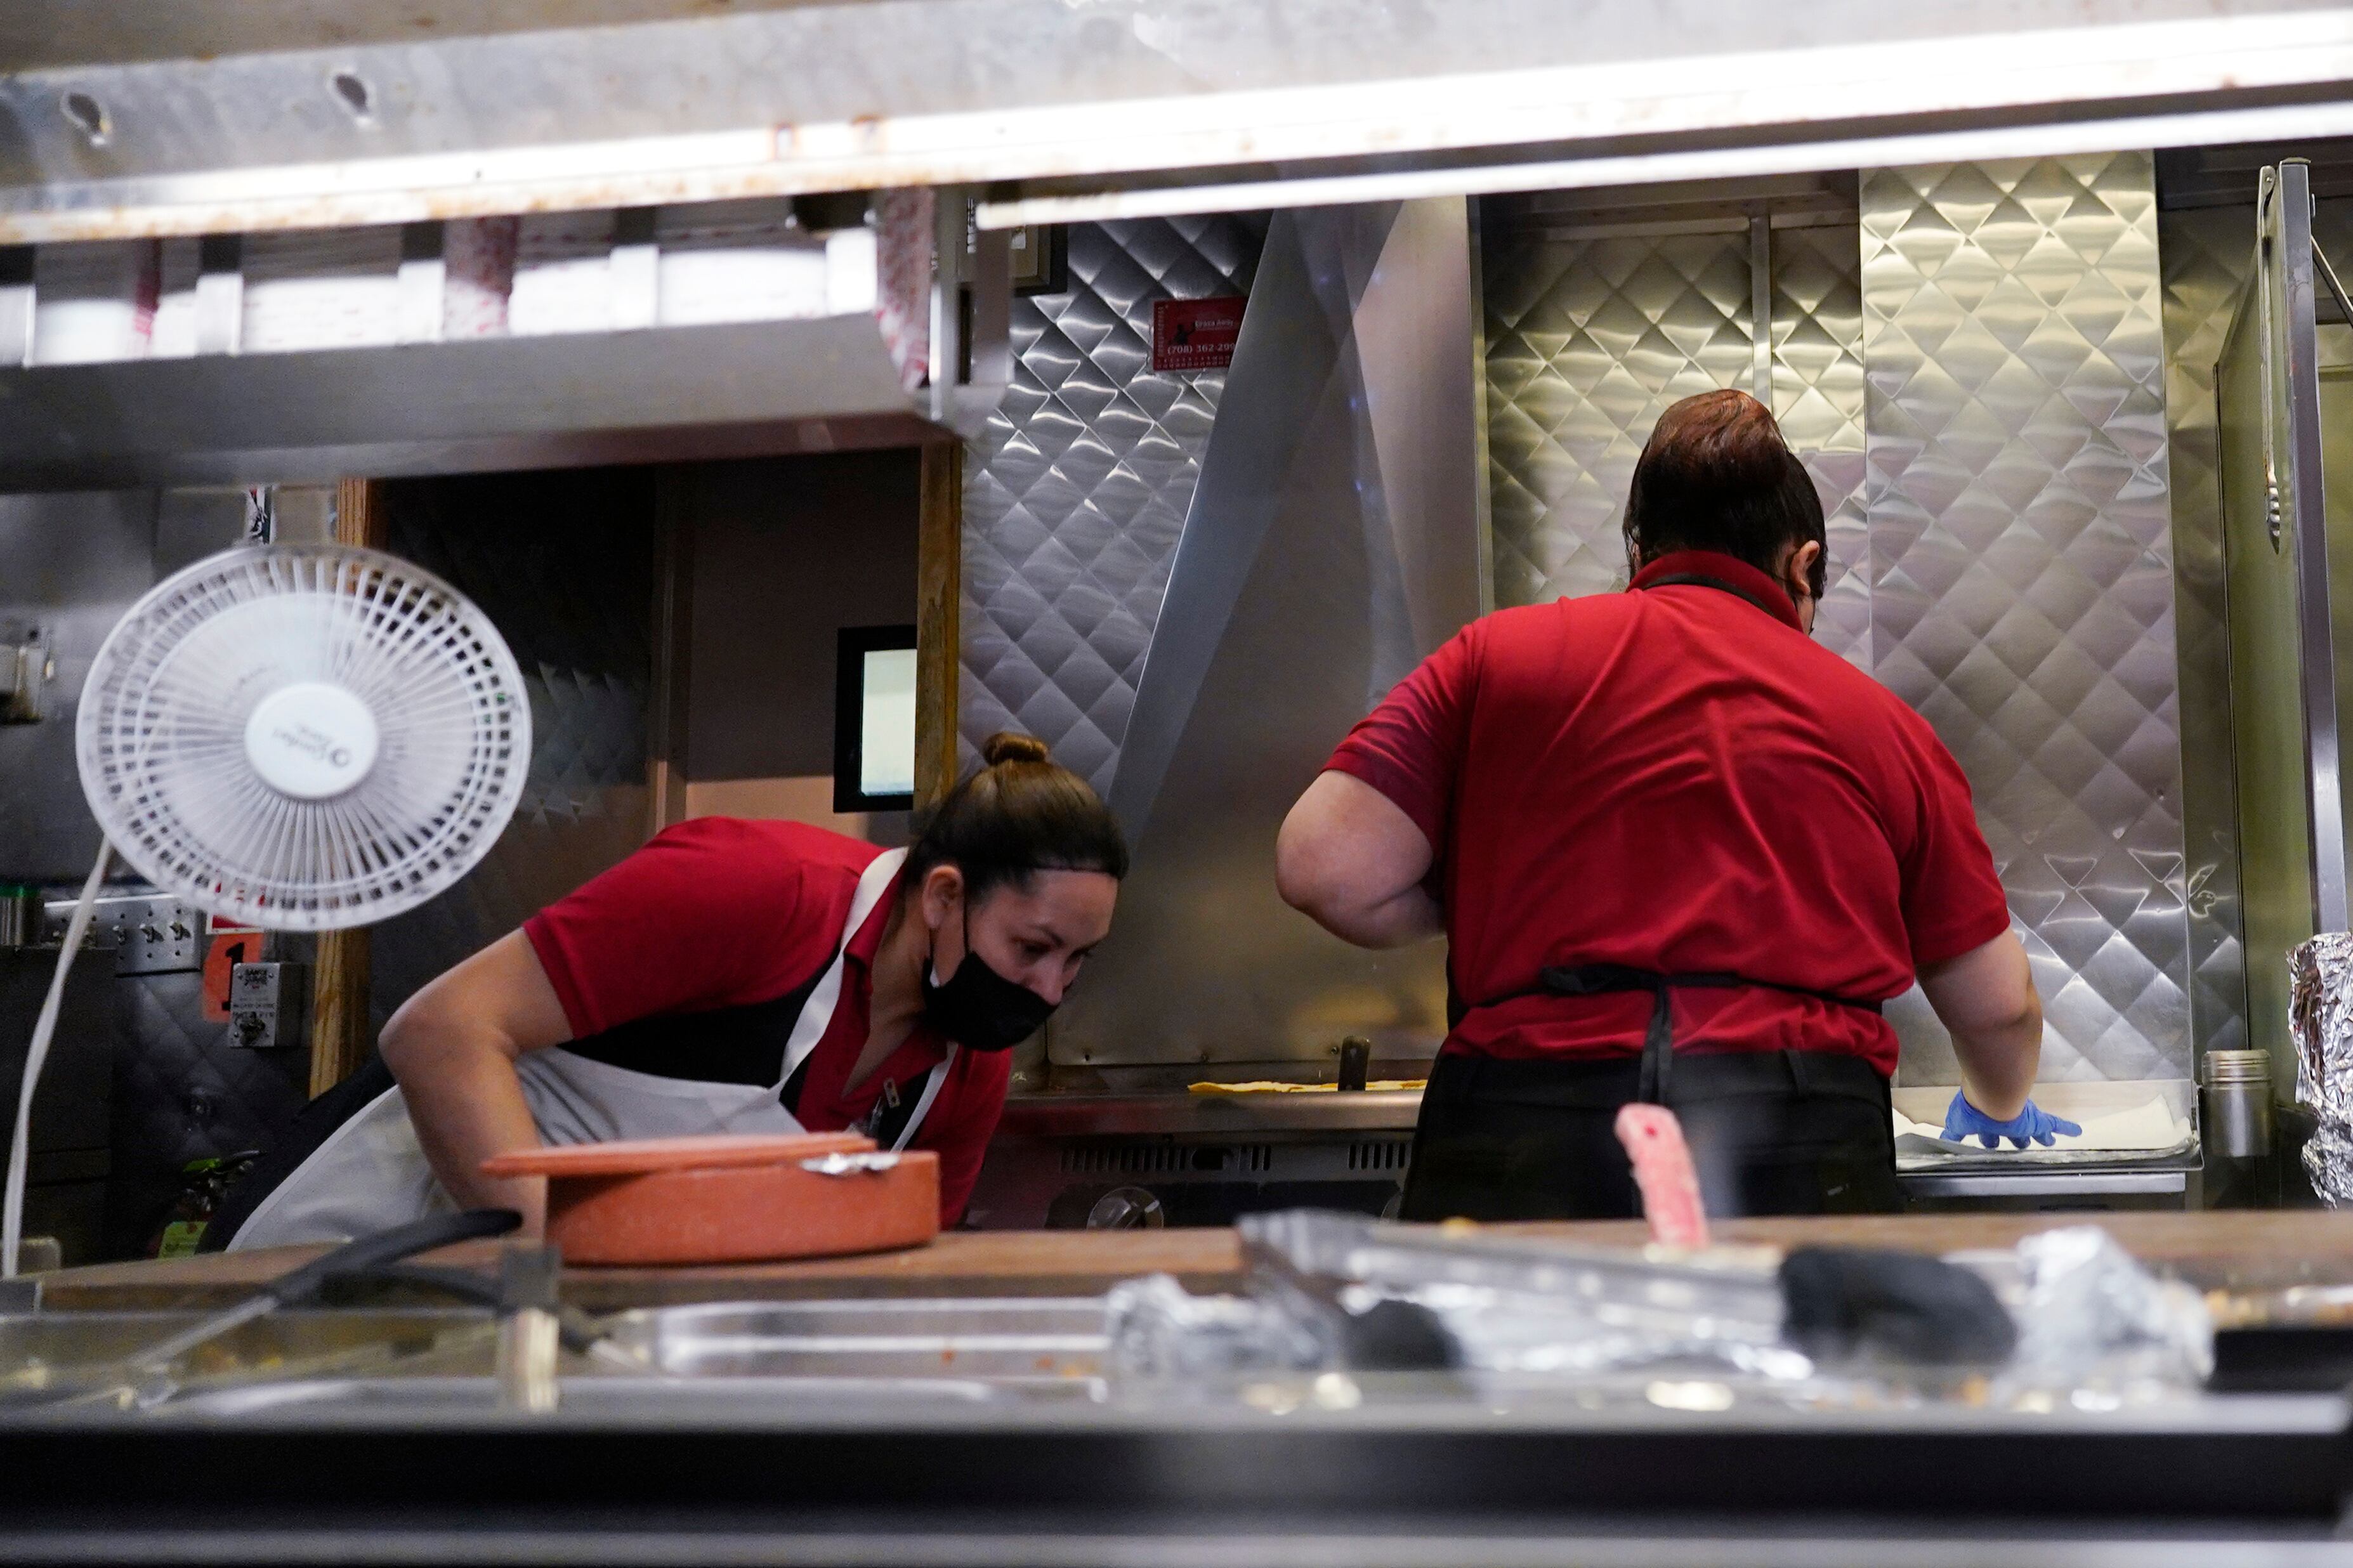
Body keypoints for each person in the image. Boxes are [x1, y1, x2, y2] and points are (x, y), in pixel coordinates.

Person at [1276, 389, 2071, 1221]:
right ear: (1801, 568)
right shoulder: (1880, 724)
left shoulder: (1492, 658)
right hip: (1794, 1133)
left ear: (1636, 549)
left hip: (1520, 1127)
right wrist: (1997, 1105)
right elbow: (1997, 1006)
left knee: (1503, 1354)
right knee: (1788, 1355)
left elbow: (1325, 868)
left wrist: (1488, 891)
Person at [216, 733, 1125, 1248]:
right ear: (943, 896)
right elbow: (440, 1032)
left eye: (1077, 963)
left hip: (542, 1324)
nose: (1046, 990)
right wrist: (545, 1269)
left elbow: (897, 1258)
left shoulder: (963, 1070)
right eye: (1032, 947)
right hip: (353, 1240)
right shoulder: (758, 891)